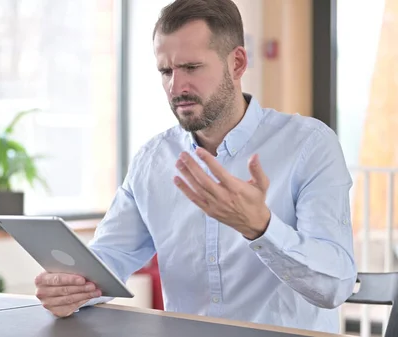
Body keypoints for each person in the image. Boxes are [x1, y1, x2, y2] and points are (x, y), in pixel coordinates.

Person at [34, 0, 357, 333]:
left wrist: (260, 227)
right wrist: (71, 289)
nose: (176, 87)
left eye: (191, 67)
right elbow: (109, 260)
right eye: (166, 71)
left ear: (237, 62)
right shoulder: (153, 160)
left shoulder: (310, 145)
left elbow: (336, 287)